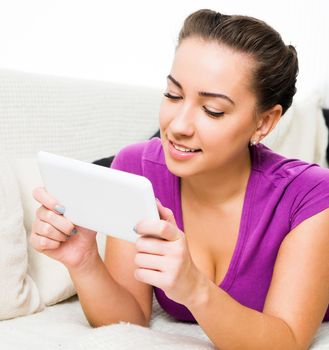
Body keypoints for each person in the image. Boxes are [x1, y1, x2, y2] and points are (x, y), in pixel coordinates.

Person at [30, 9, 329, 349]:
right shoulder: (137, 168)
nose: (179, 126)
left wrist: (194, 287)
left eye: (213, 110)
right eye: (173, 95)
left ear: (264, 123)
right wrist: (84, 262)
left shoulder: (310, 195)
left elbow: (287, 341)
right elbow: (129, 319)